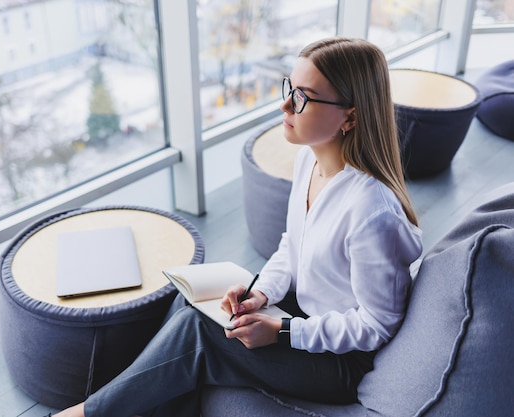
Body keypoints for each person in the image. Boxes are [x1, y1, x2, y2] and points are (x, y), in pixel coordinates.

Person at [51, 36, 423, 417]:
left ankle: (86, 414)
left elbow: (377, 326)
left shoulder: (371, 213)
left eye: (302, 97)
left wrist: (282, 331)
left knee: (198, 332)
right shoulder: (308, 164)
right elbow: (290, 247)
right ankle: (132, 401)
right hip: (302, 315)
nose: (284, 105)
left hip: (339, 361)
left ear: (351, 116)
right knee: (191, 300)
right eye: (288, 88)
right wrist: (259, 293)